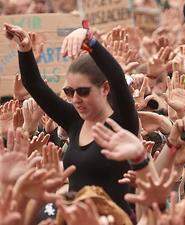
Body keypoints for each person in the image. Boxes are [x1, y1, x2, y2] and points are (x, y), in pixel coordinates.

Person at [4, 23, 139, 214]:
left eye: (83, 91)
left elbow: (117, 77)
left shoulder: (122, 124)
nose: (76, 99)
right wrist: (25, 49)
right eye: (69, 91)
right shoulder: (74, 121)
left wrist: (89, 40)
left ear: (105, 88)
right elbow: (34, 86)